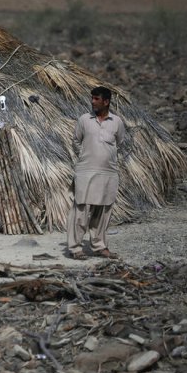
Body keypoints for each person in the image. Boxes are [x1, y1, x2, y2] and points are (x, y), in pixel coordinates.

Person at [67, 86, 128, 260]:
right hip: (85, 171)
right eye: (92, 98)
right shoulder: (84, 120)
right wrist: (87, 157)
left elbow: (119, 143)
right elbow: (76, 141)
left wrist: (105, 157)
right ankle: (75, 248)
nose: (92, 101)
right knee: (81, 208)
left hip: (108, 172)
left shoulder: (117, 122)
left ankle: (100, 247)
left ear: (106, 101)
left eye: (96, 99)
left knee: (103, 210)